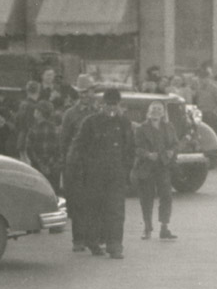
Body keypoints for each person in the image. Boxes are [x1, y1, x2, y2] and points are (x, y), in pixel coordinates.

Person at [68, 87, 135, 259]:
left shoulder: (124, 123)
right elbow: (78, 146)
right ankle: (93, 242)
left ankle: (115, 245)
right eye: (108, 105)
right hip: (94, 174)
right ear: (101, 104)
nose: (111, 108)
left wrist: (126, 170)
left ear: (119, 105)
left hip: (116, 174)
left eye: (114, 105)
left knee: (116, 210)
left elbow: (130, 148)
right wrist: (78, 170)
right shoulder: (90, 122)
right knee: (94, 209)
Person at [59, 75, 100, 252]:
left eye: (88, 92)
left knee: (95, 201)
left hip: (95, 163)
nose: (84, 95)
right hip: (75, 163)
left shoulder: (98, 112)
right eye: (81, 92)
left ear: (93, 92)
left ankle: (94, 238)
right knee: (77, 202)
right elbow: (63, 141)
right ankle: (78, 239)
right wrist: (65, 166)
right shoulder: (70, 114)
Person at [134, 100, 179, 241]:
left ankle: (164, 228)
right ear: (148, 111)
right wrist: (147, 154)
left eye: (159, 109)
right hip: (146, 167)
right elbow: (135, 147)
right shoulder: (141, 128)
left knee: (166, 196)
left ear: (163, 112)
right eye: (153, 109)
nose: (156, 111)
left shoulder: (169, 127)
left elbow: (176, 144)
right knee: (146, 199)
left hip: (163, 166)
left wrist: (172, 151)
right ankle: (147, 228)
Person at [25, 100, 61, 194]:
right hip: (53, 169)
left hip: (37, 168)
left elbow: (29, 149)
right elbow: (58, 149)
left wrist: (40, 164)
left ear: (39, 113)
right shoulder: (56, 129)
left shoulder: (33, 129)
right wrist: (49, 165)